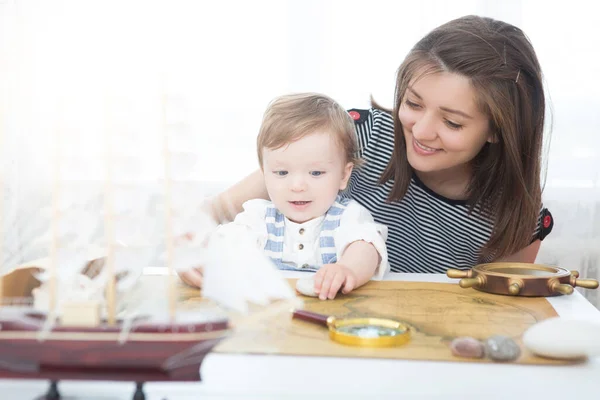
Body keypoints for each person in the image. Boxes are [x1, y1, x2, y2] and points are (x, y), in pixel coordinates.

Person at [181, 15, 553, 289]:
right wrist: (190, 245)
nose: (421, 132)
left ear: (498, 131)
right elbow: (216, 211)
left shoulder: (517, 215)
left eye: (452, 123)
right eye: (413, 103)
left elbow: (503, 313)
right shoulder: (359, 136)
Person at [197, 93, 390, 300]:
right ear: (264, 173)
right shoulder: (258, 217)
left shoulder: (348, 216)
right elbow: (227, 244)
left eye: (316, 173)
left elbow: (366, 248)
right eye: (281, 173)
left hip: (332, 311)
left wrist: (347, 269)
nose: (297, 186)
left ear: (343, 175)